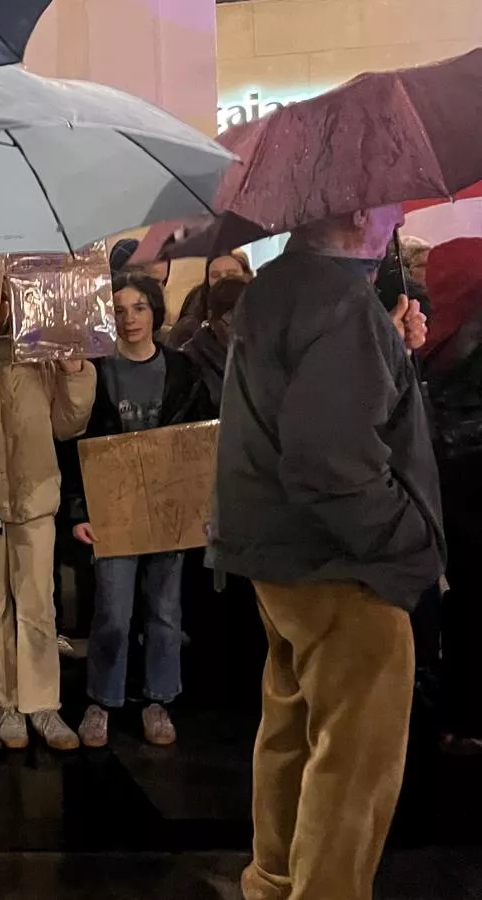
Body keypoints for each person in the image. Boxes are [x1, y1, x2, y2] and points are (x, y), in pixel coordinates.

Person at [210, 203, 440, 900]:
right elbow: (328, 459)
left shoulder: (282, 283)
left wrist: (387, 353)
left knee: (293, 733)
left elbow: (303, 411)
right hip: (345, 565)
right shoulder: (341, 301)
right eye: (393, 203)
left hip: (278, 556)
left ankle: (273, 883)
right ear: (362, 212)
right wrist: (409, 541)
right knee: (353, 765)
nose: (399, 214)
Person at [68, 275, 214, 748]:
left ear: (155, 312)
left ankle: (159, 699)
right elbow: (75, 446)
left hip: (169, 511)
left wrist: (203, 507)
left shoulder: (184, 370)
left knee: (165, 611)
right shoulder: (97, 370)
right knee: (112, 611)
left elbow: (200, 443)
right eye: (121, 310)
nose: (130, 318)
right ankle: (102, 700)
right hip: (114, 512)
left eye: (139, 308)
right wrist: (78, 510)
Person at [0, 290, 95, 752]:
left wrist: (75, 372)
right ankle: (6, 705)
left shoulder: (41, 350)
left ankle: (43, 705)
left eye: (7, 295)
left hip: (36, 494)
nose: (0, 305)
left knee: (38, 604)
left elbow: (68, 424)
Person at [420, 238, 482, 755]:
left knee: (462, 598)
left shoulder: (432, 331)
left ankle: (455, 716)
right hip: (471, 474)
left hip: (445, 476)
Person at [180, 276, 245, 406]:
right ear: (211, 319)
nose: (242, 331)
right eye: (232, 323)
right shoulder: (187, 361)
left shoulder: (263, 352)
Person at [168, 251, 252, 347]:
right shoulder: (188, 330)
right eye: (216, 275)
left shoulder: (264, 318)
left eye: (231, 274)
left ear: (247, 276)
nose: (223, 279)